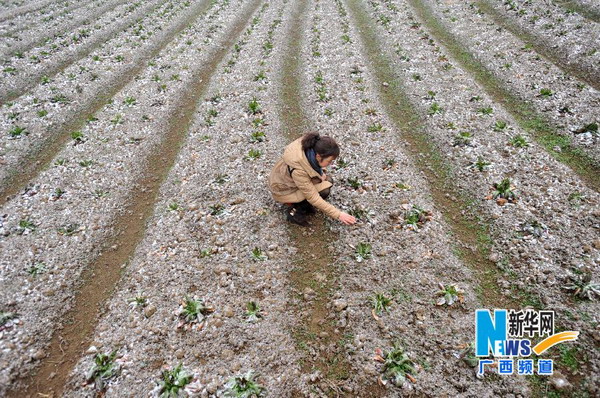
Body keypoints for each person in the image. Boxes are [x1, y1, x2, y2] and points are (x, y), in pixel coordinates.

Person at [268, 132, 357, 226]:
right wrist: (339, 214)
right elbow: (313, 197)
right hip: (283, 190)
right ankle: (295, 213)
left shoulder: (310, 149)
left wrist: (321, 172)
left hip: (289, 180)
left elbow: (314, 167)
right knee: (324, 191)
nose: (331, 163)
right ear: (318, 156)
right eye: (329, 161)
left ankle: (304, 205)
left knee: (328, 180)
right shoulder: (299, 171)